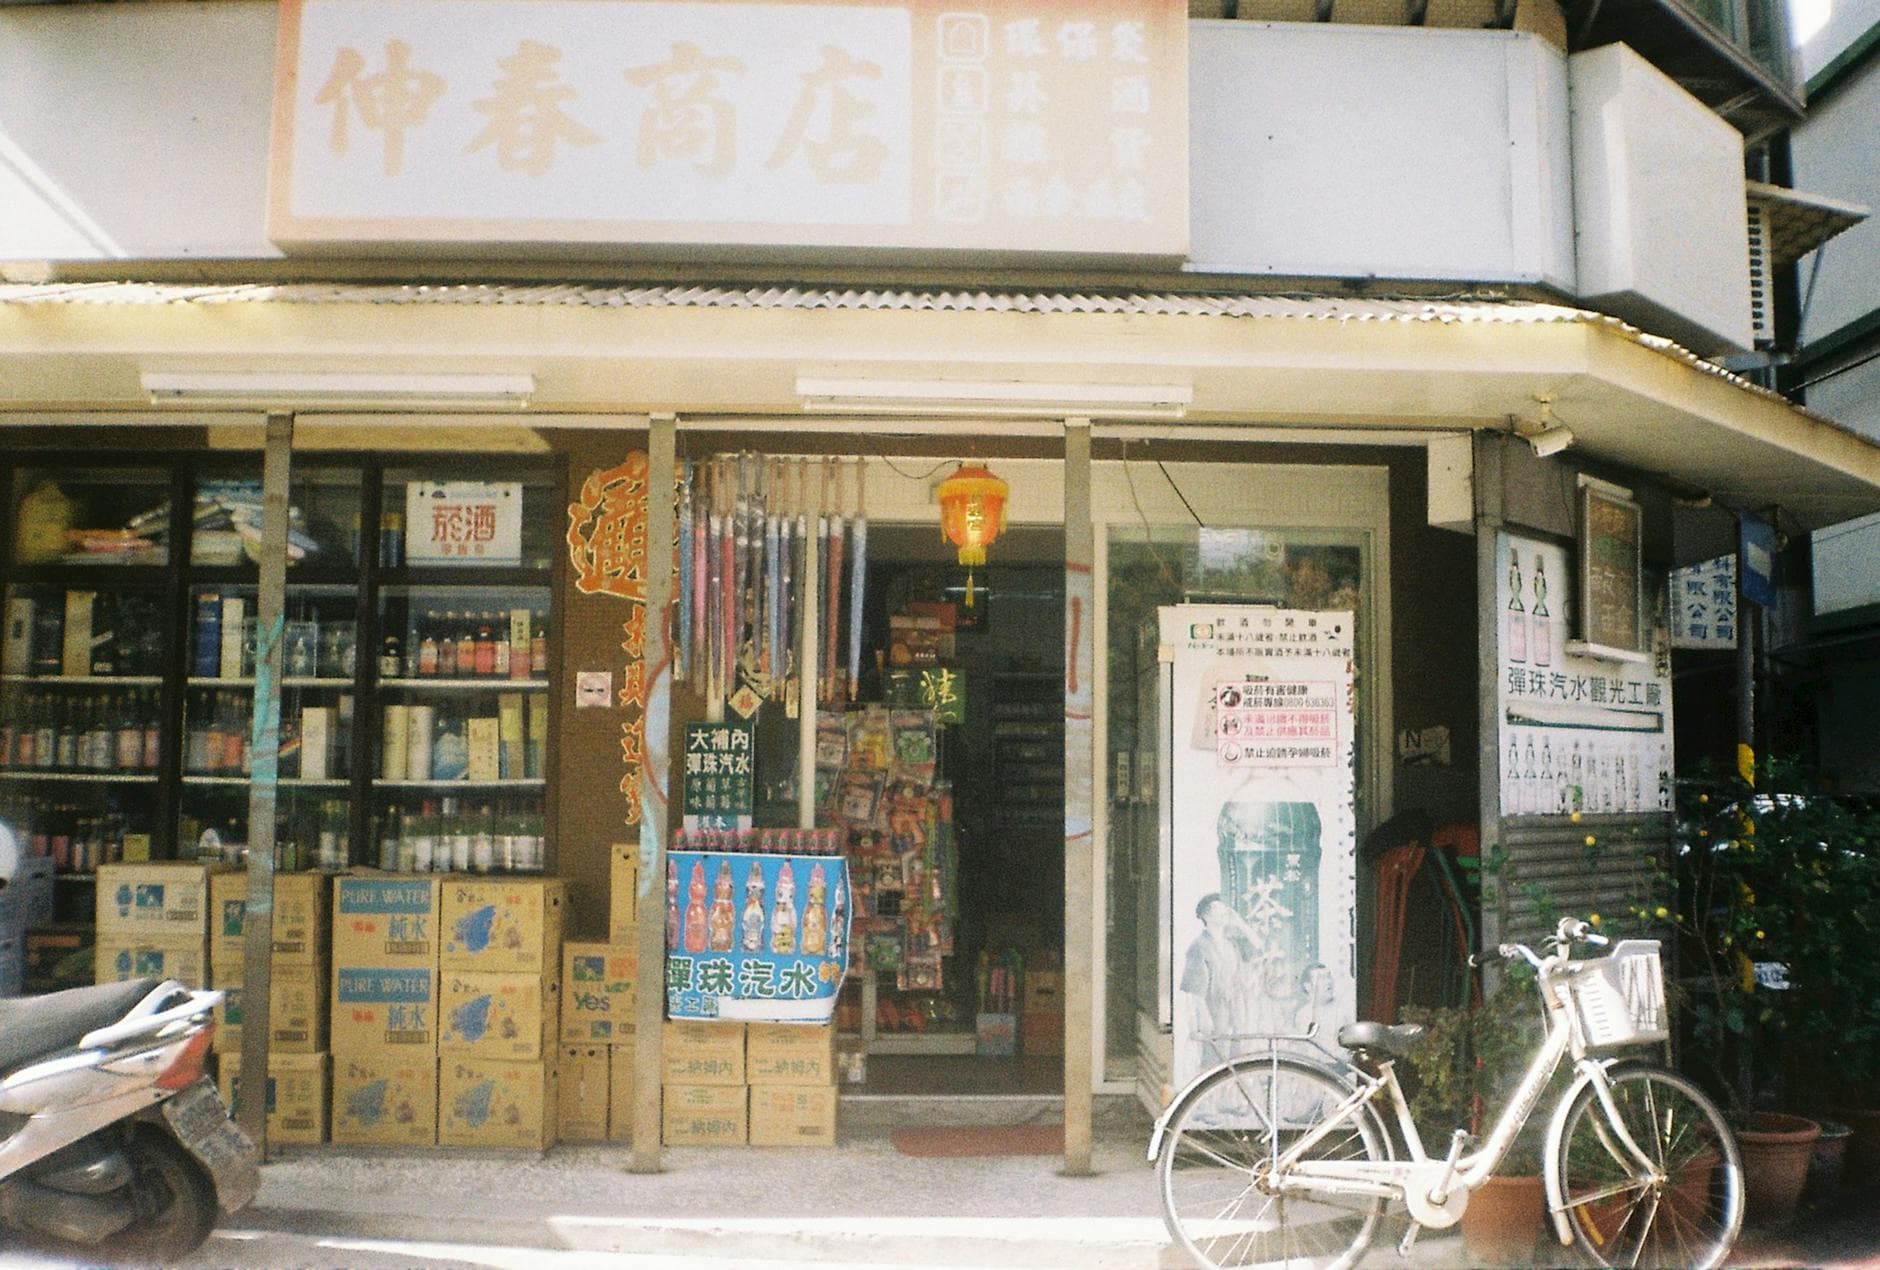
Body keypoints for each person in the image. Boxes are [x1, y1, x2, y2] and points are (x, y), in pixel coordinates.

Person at [1179, 892, 1260, 1069]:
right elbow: (1194, 989)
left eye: (1225, 909)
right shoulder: (1199, 946)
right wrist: (1203, 1016)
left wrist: (1239, 923)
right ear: (1205, 915)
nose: (1224, 913)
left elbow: (1258, 946)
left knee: (1238, 1061)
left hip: (1236, 1009)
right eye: (1218, 909)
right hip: (1214, 1010)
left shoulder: (1232, 943)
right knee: (1214, 1061)